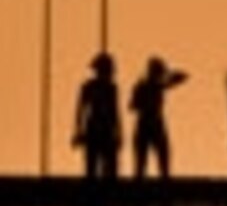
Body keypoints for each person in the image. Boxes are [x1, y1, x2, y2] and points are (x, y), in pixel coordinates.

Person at [128, 52, 189, 184]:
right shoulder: (144, 86)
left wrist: (166, 78)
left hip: (153, 122)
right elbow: (132, 106)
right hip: (147, 123)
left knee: (162, 156)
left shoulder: (155, 85)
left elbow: (181, 77)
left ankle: (162, 183)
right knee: (144, 160)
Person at [73, 49, 122, 185]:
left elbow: (115, 112)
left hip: (106, 130)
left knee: (110, 169)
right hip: (94, 129)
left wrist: (118, 133)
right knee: (92, 168)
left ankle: (105, 198)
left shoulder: (112, 88)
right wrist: (79, 130)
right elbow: (81, 110)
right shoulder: (89, 87)